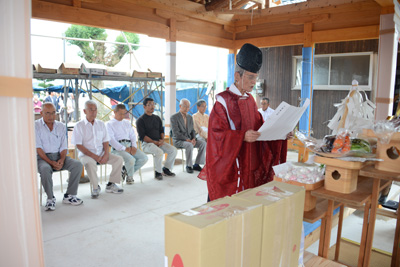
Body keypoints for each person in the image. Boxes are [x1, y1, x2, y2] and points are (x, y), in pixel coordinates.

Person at [201, 43, 288, 201]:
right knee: (223, 208)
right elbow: (216, 135)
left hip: (248, 161)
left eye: (256, 77)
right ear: (237, 76)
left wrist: (280, 133)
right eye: (250, 77)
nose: (254, 82)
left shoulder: (250, 100)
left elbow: (261, 127)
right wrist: (241, 136)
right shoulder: (223, 101)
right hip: (230, 165)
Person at [35, 102, 83, 211]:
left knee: (77, 165)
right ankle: (50, 198)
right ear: (41, 113)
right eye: (47, 113)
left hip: (59, 156)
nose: (51, 116)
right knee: (45, 169)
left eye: (53, 113)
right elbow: (38, 148)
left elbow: (63, 146)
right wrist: (51, 163)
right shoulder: (36, 126)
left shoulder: (60, 126)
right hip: (42, 158)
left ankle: (69, 195)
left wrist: (61, 160)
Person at [71, 100, 124, 198]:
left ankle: (111, 184)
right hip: (86, 155)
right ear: (84, 111)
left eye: (95, 110)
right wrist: (95, 157)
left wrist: (106, 154)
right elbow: (79, 145)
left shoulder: (101, 124)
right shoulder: (79, 126)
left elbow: (106, 141)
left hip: (101, 153)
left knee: (118, 160)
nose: (94, 112)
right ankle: (95, 187)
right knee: (90, 163)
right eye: (91, 110)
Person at [106, 104, 148, 184]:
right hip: (118, 148)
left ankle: (125, 170)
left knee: (144, 158)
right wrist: (124, 149)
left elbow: (132, 135)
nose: (122, 116)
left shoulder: (127, 122)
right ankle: (130, 177)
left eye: (124, 114)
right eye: (120, 114)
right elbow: (111, 140)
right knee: (131, 160)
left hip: (129, 145)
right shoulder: (109, 124)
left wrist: (134, 147)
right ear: (114, 112)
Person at [136, 98, 177, 180]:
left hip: (158, 142)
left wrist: (161, 140)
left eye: (153, 104)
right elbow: (142, 136)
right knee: (159, 152)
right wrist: (154, 142)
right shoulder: (140, 120)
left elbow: (161, 131)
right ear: (144, 107)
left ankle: (166, 169)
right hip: (147, 144)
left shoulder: (157, 118)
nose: (152, 106)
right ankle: (158, 172)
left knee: (173, 150)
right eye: (149, 105)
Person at [170, 99, 206, 174]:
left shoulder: (190, 117)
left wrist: (193, 138)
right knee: (189, 145)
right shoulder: (174, 117)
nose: (187, 109)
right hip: (179, 140)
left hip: (189, 139)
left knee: (203, 143)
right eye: (185, 106)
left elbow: (192, 130)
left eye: (188, 107)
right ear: (180, 106)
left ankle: (197, 164)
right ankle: (189, 166)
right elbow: (176, 133)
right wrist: (187, 140)